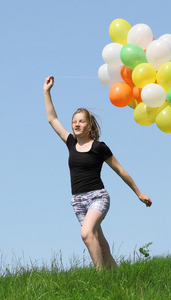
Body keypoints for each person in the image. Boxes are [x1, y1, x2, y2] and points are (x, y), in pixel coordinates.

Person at [43, 75, 152, 270]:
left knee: (86, 234)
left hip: (97, 197)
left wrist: (138, 193)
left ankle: (100, 277)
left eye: (81, 121)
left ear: (89, 125)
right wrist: (47, 91)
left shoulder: (99, 147)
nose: (76, 124)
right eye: (74, 121)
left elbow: (120, 170)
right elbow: (52, 118)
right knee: (100, 243)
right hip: (77, 200)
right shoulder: (70, 144)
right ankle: (116, 276)